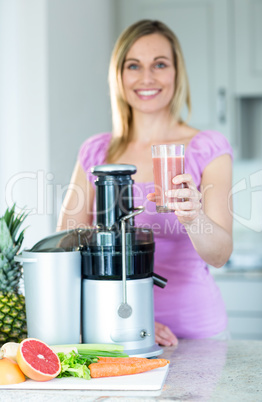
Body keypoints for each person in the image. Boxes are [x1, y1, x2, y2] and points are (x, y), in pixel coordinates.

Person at [57, 19, 233, 345]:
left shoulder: (208, 148)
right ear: (119, 76)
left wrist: (194, 217)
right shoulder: (96, 152)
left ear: (176, 73)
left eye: (160, 64)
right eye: (134, 65)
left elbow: (220, 254)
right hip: (115, 329)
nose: (147, 78)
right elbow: (65, 250)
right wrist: (134, 316)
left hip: (196, 334)